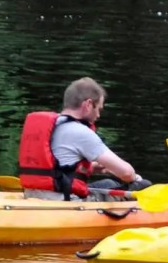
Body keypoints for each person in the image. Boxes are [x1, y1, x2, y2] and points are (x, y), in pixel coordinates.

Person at [17, 77, 149, 201]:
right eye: (98, 109)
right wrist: (135, 178)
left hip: (32, 195)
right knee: (143, 186)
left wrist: (92, 167)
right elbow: (126, 173)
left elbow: (57, 167)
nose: (98, 115)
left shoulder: (51, 126)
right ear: (88, 104)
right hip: (63, 201)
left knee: (108, 183)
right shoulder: (81, 132)